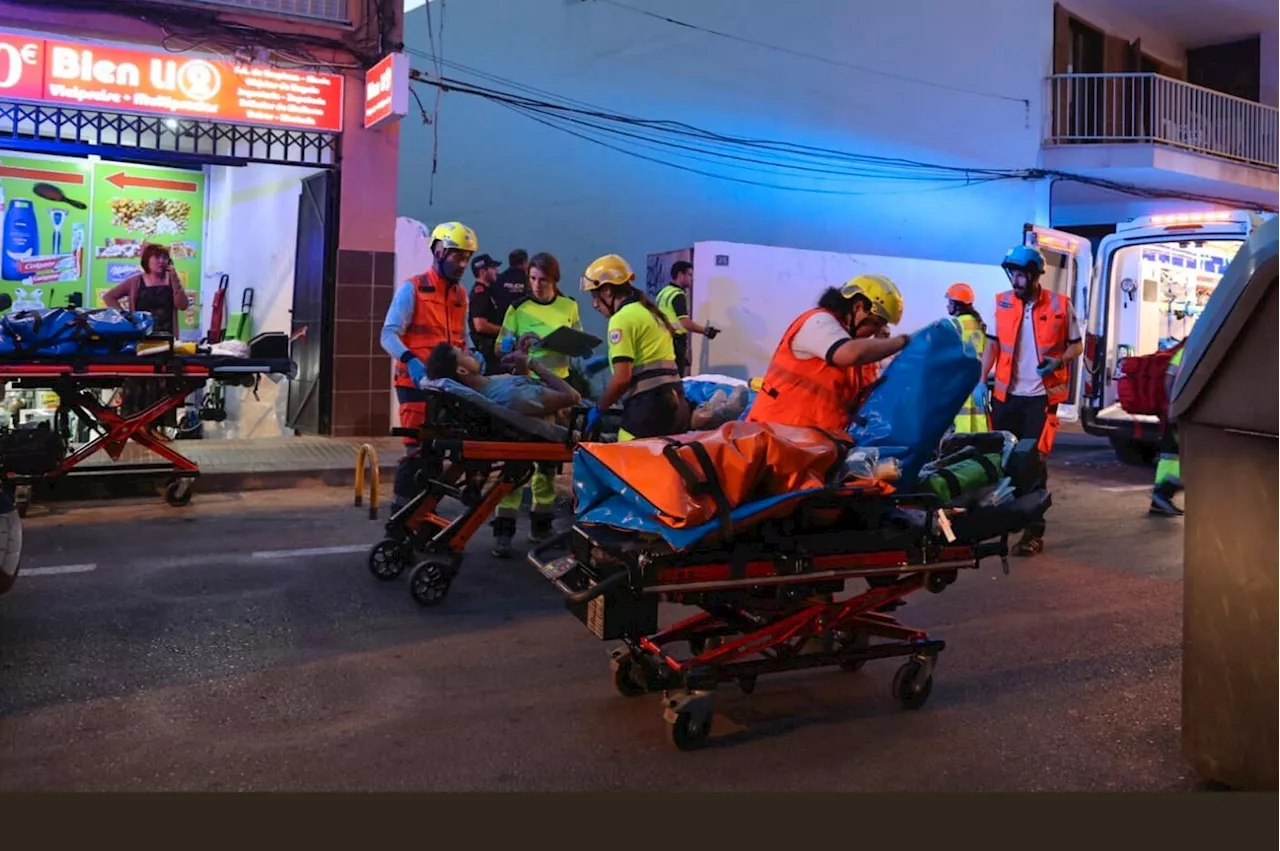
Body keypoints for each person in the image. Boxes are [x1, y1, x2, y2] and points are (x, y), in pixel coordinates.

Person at [980, 245, 1083, 557]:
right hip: (1006, 396)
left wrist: (1058, 361)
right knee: (1000, 461)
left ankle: (1033, 533)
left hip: (1039, 398)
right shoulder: (1001, 303)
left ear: (1037, 275)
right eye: (1013, 273)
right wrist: (980, 379)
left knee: (1033, 463)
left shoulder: (1060, 305)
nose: (1017, 279)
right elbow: (993, 346)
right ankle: (999, 522)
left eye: (1023, 273)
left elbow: (1076, 346)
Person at [380, 220, 476, 515]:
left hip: (446, 386)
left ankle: (423, 517)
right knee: (416, 454)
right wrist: (412, 362)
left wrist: (473, 354)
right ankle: (400, 519)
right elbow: (388, 334)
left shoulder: (461, 295)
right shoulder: (413, 289)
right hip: (414, 383)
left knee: (436, 456)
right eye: (457, 256)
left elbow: (463, 337)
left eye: (466, 258)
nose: (462, 264)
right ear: (437, 251)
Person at [491, 252, 583, 556]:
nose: (536, 285)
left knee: (548, 462)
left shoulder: (569, 306)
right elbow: (499, 348)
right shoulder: (518, 309)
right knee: (516, 458)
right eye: (532, 279)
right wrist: (517, 346)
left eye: (543, 280)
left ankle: (540, 525)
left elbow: (580, 343)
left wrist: (569, 344)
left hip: (557, 392)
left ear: (554, 280)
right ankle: (503, 530)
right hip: (527, 392)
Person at [747, 275, 912, 432]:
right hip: (776, 439)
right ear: (858, 307)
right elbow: (848, 354)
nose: (875, 332)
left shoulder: (855, 348)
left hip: (811, 446)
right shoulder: (819, 322)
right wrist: (902, 341)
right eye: (875, 324)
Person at [580, 254, 690, 442]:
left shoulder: (621, 318)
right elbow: (647, 356)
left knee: (627, 466)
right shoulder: (649, 311)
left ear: (607, 290)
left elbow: (622, 379)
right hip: (676, 404)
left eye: (595, 295)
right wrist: (608, 360)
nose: (594, 304)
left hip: (648, 409)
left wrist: (599, 408)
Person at [103, 242, 192, 440]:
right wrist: (127, 317)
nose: (161, 261)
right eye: (157, 257)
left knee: (162, 383)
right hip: (142, 340)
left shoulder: (171, 280)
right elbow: (109, 297)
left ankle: (155, 428)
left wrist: (175, 277)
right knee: (139, 381)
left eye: (164, 258)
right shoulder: (136, 282)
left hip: (166, 339)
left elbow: (183, 305)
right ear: (147, 261)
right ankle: (137, 425)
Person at [424, 342, 582, 418]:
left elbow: (526, 388)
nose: (471, 353)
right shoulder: (506, 395)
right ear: (462, 370)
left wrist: (520, 362)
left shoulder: (490, 384)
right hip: (587, 419)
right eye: (464, 354)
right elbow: (572, 397)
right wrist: (531, 363)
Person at [655, 260, 719, 377]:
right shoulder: (677, 295)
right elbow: (685, 323)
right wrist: (706, 331)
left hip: (663, 340)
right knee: (676, 377)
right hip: (676, 340)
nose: (692, 278)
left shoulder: (663, 292)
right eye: (689, 275)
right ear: (680, 275)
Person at [945, 282, 992, 434]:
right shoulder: (980, 326)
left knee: (961, 428)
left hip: (960, 384)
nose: (947, 306)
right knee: (979, 425)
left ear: (957, 305)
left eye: (949, 302)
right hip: (978, 384)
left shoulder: (955, 325)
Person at [1150, 344, 1185, 517]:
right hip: (1180, 412)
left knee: (1170, 455)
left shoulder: (1185, 350)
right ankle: (1162, 494)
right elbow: (1170, 379)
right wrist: (1175, 407)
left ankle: (1159, 499)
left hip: (1177, 411)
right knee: (1189, 457)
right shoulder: (1189, 351)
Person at [467, 253, 504, 374]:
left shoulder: (488, 292)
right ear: (483, 272)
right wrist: (506, 331)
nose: (496, 271)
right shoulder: (480, 294)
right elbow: (480, 325)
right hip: (486, 351)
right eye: (492, 268)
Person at [492, 248, 530, 319]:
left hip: (502, 322)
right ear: (525, 262)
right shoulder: (529, 280)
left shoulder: (499, 279)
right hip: (522, 322)